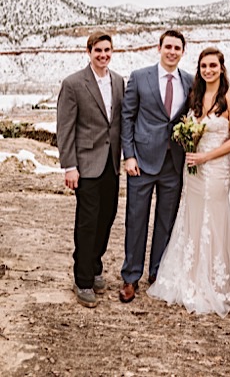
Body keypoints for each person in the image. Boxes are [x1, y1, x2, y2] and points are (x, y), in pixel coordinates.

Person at [147, 47, 230, 316]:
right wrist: (190, 144)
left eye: (213, 66)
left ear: (221, 68)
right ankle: (189, 274)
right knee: (191, 216)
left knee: (213, 218)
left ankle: (215, 280)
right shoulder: (195, 96)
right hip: (193, 168)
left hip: (216, 169)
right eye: (204, 66)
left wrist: (206, 156)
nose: (208, 70)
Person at [119, 30, 192, 303]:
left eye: (177, 48)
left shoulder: (189, 81)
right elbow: (127, 117)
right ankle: (130, 277)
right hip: (141, 162)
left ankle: (158, 272)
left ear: (183, 51)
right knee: (136, 220)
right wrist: (129, 156)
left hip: (173, 163)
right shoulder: (139, 77)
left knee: (166, 221)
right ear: (159, 48)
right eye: (168, 46)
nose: (172, 51)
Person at [57, 31, 125, 308]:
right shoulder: (73, 83)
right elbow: (65, 128)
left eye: (107, 50)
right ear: (89, 51)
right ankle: (82, 280)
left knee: (106, 218)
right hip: (85, 165)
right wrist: (70, 166)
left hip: (111, 164)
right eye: (98, 50)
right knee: (87, 222)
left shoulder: (119, 82)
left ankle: (95, 266)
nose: (103, 55)